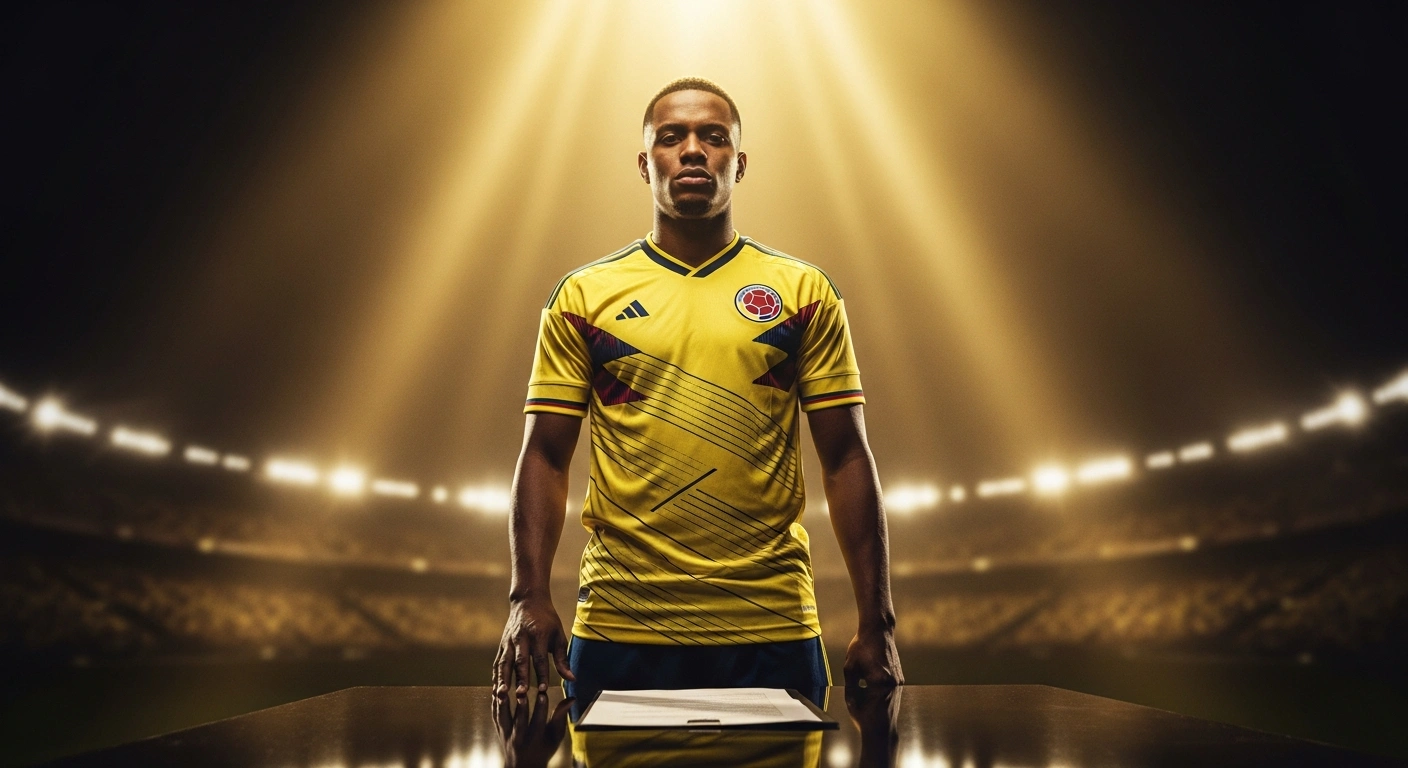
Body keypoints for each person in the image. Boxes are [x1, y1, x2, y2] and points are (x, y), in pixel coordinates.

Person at [492, 77, 903, 706]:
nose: (692, 151)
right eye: (670, 137)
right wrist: (527, 594)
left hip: (773, 626)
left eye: (713, 138)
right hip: (617, 629)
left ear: (738, 163)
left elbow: (847, 456)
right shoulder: (582, 297)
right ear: (644, 163)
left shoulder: (804, 292)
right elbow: (545, 455)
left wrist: (878, 623)